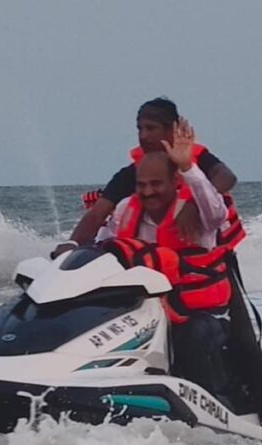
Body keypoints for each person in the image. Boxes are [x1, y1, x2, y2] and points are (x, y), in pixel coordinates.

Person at [99, 120, 236, 397]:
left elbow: (216, 208)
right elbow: (101, 246)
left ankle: (210, 402)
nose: (148, 191)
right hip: (147, 313)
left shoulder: (200, 215)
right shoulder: (126, 210)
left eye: (156, 184)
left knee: (190, 336)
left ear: (174, 183)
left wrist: (188, 167)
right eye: (142, 185)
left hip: (202, 315)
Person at [52, 97, 238, 257]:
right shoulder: (130, 176)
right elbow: (97, 214)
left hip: (205, 250)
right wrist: (73, 244)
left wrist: (194, 205)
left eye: (150, 128)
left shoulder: (198, 162)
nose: (143, 136)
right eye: (140, 129)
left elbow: (227, 177)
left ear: (172, 130)